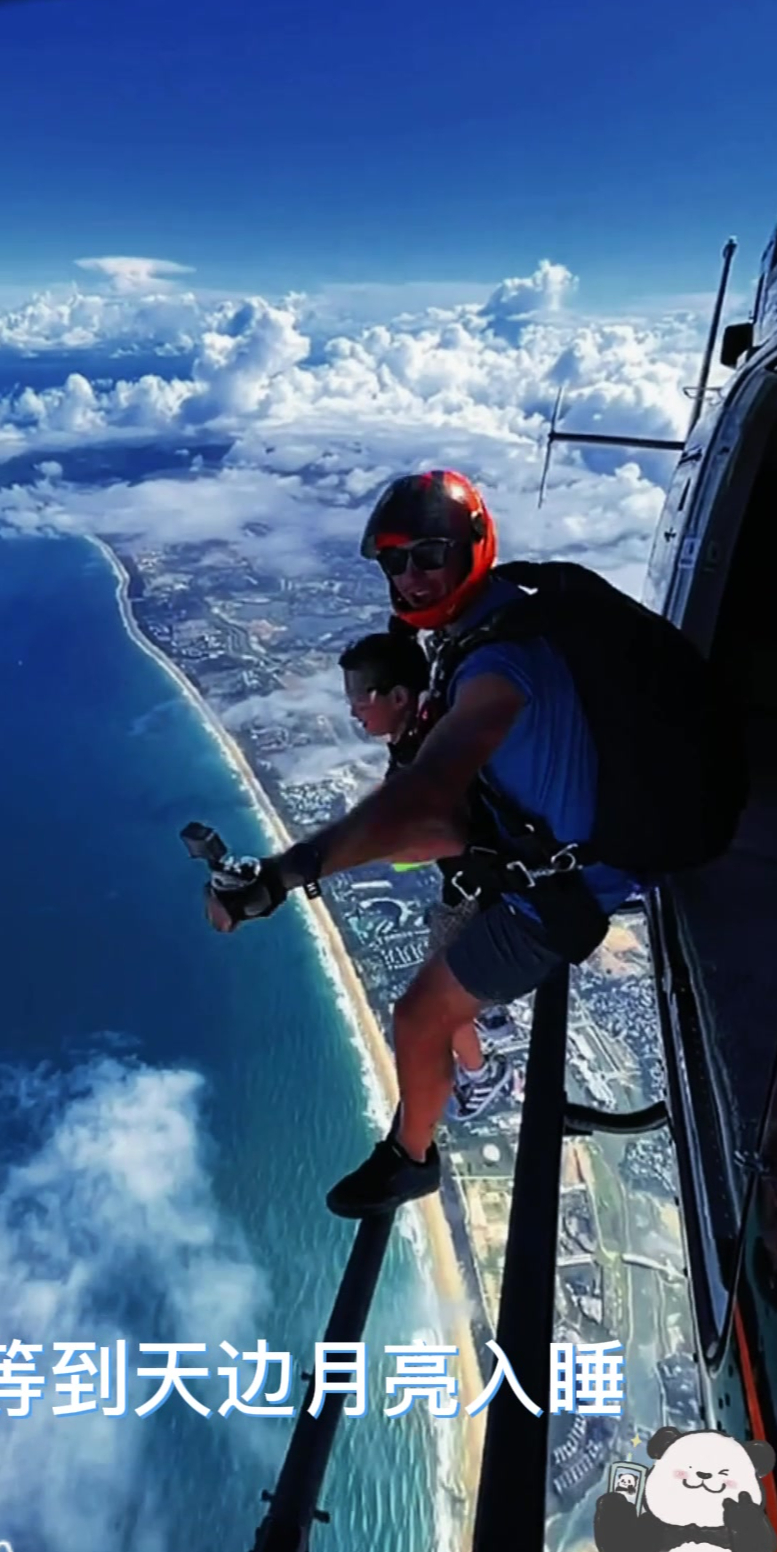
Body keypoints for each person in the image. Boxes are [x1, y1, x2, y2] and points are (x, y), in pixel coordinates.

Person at [204, 468, 641, 1219]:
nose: (409, 579)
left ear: (475, 547)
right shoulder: (500, 622)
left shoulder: (497, 666)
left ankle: (410, 1160)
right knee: (443, 966)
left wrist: (285, 874)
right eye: (394, 561)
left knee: (417, 1017)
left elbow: (431, 799)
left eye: (428, 555)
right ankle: (466, 1073)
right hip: (565, 861)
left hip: (564, 895)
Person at [339, 629, 509, 1122]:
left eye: (360, 698)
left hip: (480, 884)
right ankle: (489, 1014)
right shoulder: (432, 727)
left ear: (397, 696)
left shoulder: (422, 760)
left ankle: (482, 1074)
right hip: (481, 879)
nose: (354, 710)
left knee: (435, 1003)